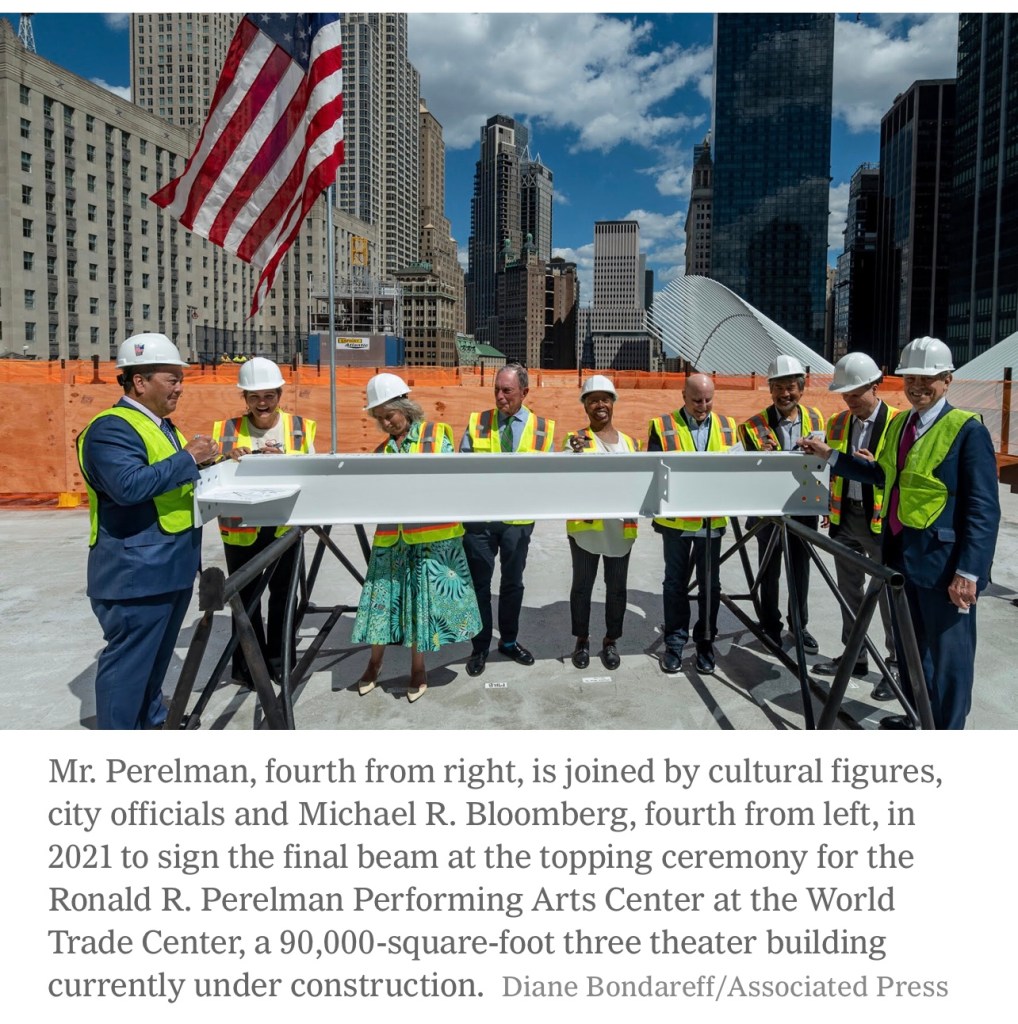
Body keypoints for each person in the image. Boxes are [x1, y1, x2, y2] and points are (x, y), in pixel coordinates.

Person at [799, 337, 1000, 730]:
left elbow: (982, 509)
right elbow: (881, 474)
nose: (917, 387)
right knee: (912, 651)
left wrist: (970, 572)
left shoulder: (966, 430)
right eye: (911, 378)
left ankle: (947, 734)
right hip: (901, 558)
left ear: (947, 380)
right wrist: (831, 457)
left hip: (944, 568)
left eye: (928, 379)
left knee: (949, 657)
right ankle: (916, 718)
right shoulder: (902, 424)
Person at [76, 332, 219, 729]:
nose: (180, 386)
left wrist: (208, 463)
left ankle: (152, 724)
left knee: (153, 662)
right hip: (135, 572)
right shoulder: (112, 428)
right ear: (139, 381)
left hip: (167, 565)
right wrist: (188, 457)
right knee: (128, 667)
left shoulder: (158, 426)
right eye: (172, 378)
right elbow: (129, 487)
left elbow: (166, 479)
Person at [352, 374, 481, 703]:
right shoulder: (381, 452)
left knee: (420, 608)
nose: (386, 423)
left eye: (389, 415)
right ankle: (374, 664)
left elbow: (451, 482)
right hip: (391, 538)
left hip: (430, 539)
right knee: (381, 604)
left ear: (405, 407)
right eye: (379, 418)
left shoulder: (437, 436)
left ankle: (418, 669)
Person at [211, 357, 316, 686]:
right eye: (255, 396)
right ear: (244, 398)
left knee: (284, 595)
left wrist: (286, 460)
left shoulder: (299, 428)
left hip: (283, 525)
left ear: (280, 394)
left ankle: (279, 660)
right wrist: (225, 458)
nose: (262, 403)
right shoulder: (226, 430)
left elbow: (314, 471)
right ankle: (248, 667)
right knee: (245, 599)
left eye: (269, 395)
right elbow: (210, 473)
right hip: (239, 527)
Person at [812, 352, 900, 698]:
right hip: (844, 517)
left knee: (889, 597)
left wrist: (878, 465)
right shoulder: (837, 424)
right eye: (845, 395)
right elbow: (829, 468)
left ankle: (895, 662)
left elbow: (900, 472)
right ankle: (855, 655)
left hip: (880, 523)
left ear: (874, 386)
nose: (850, 401)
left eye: (855, 394)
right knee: (848, 591)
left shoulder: (897, 423)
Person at [459, 362, 555, 677]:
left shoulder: (542, 429)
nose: (500, 397)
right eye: (497, 390)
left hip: (517, 522)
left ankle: (510, 641)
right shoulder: (478, 422)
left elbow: (550, 475)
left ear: (524, 392)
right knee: (479, 586)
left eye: (507, 390)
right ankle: (480, 646)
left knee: (512, 584)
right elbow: (461, 468)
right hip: (480, 521)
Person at [648, 373, 738, 676]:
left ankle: (705, 643)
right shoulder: (662, 426)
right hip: (676, 522)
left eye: (708, 399)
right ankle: (674, 643)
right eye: (697, 400)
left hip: (711, 520)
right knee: (674, 582)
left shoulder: (728, 427)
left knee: (709, 586)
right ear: (683, 397)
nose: (703, 406)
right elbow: (653, 471)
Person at [738, 354, 824, 655]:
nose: (785, 394)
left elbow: (821, 465)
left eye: (790, 388)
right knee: (769, 571)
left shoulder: (816, 419)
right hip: (768, 513)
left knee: (800, 571)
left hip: (804, 509)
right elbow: (747, 473)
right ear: (770, 389)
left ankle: (799, 626)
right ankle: (770, 625)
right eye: (778, 388)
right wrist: (762, 455)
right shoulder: (753, 427)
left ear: (802, 387)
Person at [563, 375, 640, 671]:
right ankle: (582, 639)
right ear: (585, 405)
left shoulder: (629, 443)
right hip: (586, 530)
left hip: (620, 530)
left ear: (613, 403)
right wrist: (575, 452)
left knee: (617, 588)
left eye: (605, 399)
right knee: (582, 587)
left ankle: (611, 640)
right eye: (593, 399)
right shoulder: (576, 440)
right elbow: (565, 477)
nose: (600, 405)